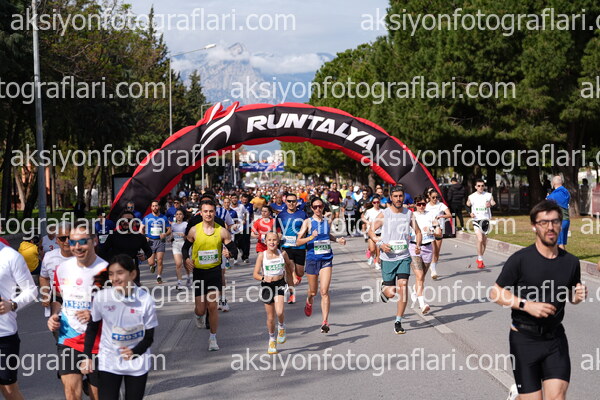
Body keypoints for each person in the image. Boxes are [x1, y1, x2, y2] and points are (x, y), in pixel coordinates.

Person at [490, 200, 587, 400]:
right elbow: (495, 293)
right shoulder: (520, 259)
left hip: (555, 339)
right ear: (534, 226)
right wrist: (526, 305)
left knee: (556, 397)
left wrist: (577, 296)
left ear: (561, 225)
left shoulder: (571, 262)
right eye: (544, 222)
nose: (550, 227)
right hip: (524, 340)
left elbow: (570, 295)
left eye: (555, 221)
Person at [80, 255, 158, 400]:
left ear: (132, 274)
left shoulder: (145, 299)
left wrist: (134, 352)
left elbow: (149, 337)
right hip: (109, 361)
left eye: (120, 273)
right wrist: (86, 357)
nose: (115, 278)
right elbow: (92, 328)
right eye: (111, 274)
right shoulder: (102, 298)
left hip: (137, 362)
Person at [47, 224, 108, 400]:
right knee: (71, 394)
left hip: (98, 341)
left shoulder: (106, 270)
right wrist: (54, 315)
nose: (77, 246)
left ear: (94, 241)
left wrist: (95, 314)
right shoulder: (62, 268)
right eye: (73, 242)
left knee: (98, 395)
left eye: (83, 241)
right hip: (68, 336)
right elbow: (58, 298)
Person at [183, 200, 237, 351]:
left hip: (214, 272)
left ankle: (213, 338)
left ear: (215, 212)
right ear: (201, 213)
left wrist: (230, 253)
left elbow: (234, 250)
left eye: (211, 211)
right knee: (201, 309)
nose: (208, 214)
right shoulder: (194, 230)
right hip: (199, 273)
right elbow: (185, 248)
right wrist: (186, 259)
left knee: (212, 306)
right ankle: (198, 316)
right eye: (205, 211)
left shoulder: (222, 231)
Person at [369, 185, 422, 335]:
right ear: (391, 198)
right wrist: (380, 243)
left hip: (403, 256)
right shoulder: (384, 214)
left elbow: (418, 232)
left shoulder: (409, 214)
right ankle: (385, 290)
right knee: (391, 293)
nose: (398, 199)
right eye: (396, 196)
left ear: (404, 197)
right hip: (388, 258)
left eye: (401, 196)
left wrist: (418, 245)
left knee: (403, 286)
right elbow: (370, 231)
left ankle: (398, 321)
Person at [296, 197, 346, 333]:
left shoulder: (327, 221)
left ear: (323, 207)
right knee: (313, 292)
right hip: (312, 259)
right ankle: (309, 300)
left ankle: (325, 322)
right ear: (311, 208)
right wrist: (310, 237)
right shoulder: (307, 222)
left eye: (320, 206)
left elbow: (327, 235)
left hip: (326, 259)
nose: (318, 209)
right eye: (315, 207)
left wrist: (337, 240)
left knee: (324, 291)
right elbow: (298, 241)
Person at [0, 240, 38, 400]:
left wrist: (12, 304)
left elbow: (32, 291)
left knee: (9, 389)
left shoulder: (11, 256)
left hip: (4, 335)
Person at [253, 233, 295, 354]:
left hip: (280, 284)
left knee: (280, 311)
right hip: (267, 286)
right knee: (270, 317)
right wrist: (263, 278)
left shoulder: (283, 254)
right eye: (269, 240)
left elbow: (289, 266)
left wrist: (293, 277)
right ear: (265, 242)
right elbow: (255, 274)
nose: (272, 242)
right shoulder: (262, 255)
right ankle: (272, 339)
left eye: (274, 240)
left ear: (278, 241)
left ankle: (281, 327)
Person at [100, 211, 152, 287]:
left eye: (129, 220)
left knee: (133, 293)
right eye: (123, 220)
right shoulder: (113, 236)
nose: (125, 222)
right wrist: (110, 263)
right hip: (116, 272)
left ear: (134, 222)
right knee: (116, 293)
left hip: (132, 272)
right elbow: (102, 251)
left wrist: (145, 257)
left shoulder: (139, 237)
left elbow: (149, 251)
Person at [409, 195, 442, 314]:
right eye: (419, 204)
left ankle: (415, 290)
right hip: (414, 247)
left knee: (422, 277)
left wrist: (432, 231)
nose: (421, 206)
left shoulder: (431, 215)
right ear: (415, 205)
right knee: (420, 275)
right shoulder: (411, 216)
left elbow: (439, 233)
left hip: (428, 248)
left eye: (423, 204)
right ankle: (422, 304)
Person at [275, 193, 307, 304]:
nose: (291, 203)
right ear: (286, 202)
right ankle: (292, 294)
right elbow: (278, 230)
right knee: (289, 269)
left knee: (300, 272)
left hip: (300, 246)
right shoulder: (281, 215)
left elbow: (307, 228)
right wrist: (277, 239)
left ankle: (297, 276)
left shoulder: (302, 214)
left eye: (293, 201)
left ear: (296, 202)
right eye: (289, 201)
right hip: (286, 246)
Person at [40, 224, 72, 318]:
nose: (67, 241)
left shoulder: (84, 258)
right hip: (57, 311)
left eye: (70, 238)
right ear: (57, 240)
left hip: (79, 312)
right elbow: (44, 277)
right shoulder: (49, 257)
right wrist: (45, 294)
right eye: (63, 238)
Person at [466, 179, 496, 269]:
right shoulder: (471, 196)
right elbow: (467, 205)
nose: (480, 187)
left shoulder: (488, 195)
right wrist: (470, 213)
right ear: (475, 187)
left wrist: (491, 204)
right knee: (479, 239)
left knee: (484, 242)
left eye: (482, 185)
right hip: (476, 220)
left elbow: (493, 202)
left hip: (486, 220)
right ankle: (480, 260)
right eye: (478, 186)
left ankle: (480, 258)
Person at [141, 201, 171, 284]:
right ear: (151, 207)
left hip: (160, 241)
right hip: (150, 241)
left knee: (160, 260)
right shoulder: (147, 218)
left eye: (156, 206)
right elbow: (141, 229)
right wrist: (144, 236)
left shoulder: (164, 218)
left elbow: (169, 229)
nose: (155, 207)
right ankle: (153, 265)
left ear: (159, 207)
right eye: (153, 206)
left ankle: (159, 276)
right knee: (150, 262)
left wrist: (165, 234)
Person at [425, 190, 451, 280]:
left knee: (437, 251)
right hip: (430, 229)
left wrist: (441, 216)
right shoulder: (426, 206)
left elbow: (449, 215)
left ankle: (433, 266)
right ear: (429, 197)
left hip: (439, 229)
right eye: (433, 197)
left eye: (437, 197)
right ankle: (433, 270)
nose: (435, 199)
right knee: (433, 249)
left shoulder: (441, 205)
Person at [546, 175, 570, 250]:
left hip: (560, 221)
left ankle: (562, 257)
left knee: (559, 244)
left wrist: (548, 197)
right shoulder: (566, 192)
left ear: (553, 183)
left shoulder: (555, 195)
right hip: (566, 220)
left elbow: (548, 201)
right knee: (560, 243)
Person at [362, 196, 383, 270]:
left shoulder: (382, 211)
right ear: (372, 203)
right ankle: (371, 255)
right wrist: (368, 222)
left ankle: (377, 263)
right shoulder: (369, 211)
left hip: (380, 232)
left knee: (378, 250)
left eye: (377, 202)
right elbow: (363, 218)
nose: (376, 204)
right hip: (371, 232)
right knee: (372, 249)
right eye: (374, 202)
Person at [171, 210, 190, 290]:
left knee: (186, 264)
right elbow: (172, 234)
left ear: (183, 216)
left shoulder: (186, 224)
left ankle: (188, 277)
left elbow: (189, 237)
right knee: (178, 264)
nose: (178, 216)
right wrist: (170, 238)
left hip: (184, 245)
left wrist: (184, 236)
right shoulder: (173, 225)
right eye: (177, 214)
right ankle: (179, 283)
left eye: (180, 214)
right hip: (176, 245)